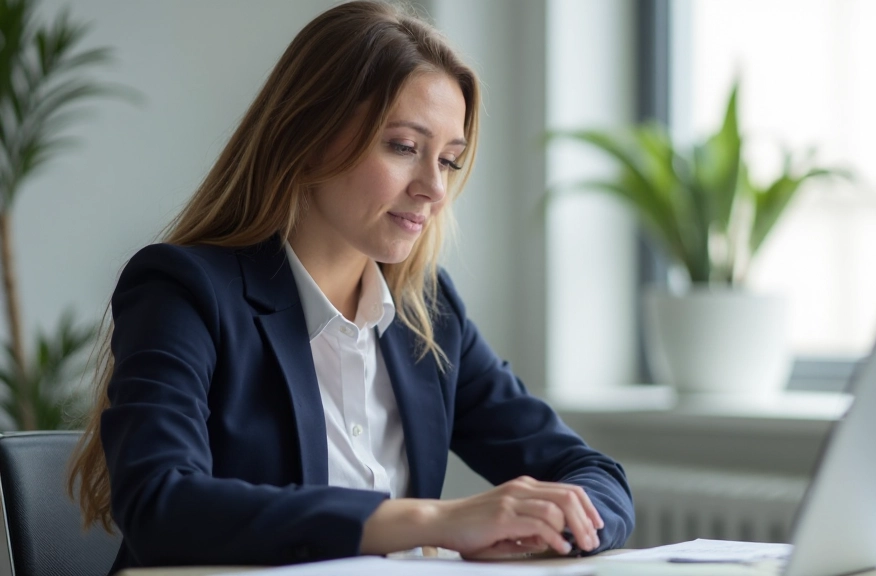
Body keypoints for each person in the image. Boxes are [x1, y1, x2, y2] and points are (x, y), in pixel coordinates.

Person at [67, 1, 633, 572]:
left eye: (450, 160)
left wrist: (558, 523)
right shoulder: (184, 290)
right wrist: (433, 522)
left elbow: (595, 476)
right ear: (309, 134)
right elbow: (161, 504)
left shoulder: (427, 315)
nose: (434, 188)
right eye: (405, 147)